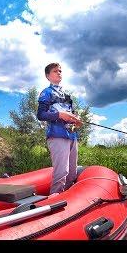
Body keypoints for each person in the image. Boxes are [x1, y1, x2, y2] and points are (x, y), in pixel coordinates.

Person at [36, 62, 83, 195]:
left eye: (60, 71)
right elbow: (41, 115)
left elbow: (71, 113)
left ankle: (67, 200)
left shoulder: (67, 95)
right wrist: (60, 115)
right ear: (47, 76)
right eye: (55, 71)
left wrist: (76, 120)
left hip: (72, 136)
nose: (59, 73)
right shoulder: (46, 92)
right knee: (62, 172)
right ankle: (54, 200)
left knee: (72, 173)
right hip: (57, 135)